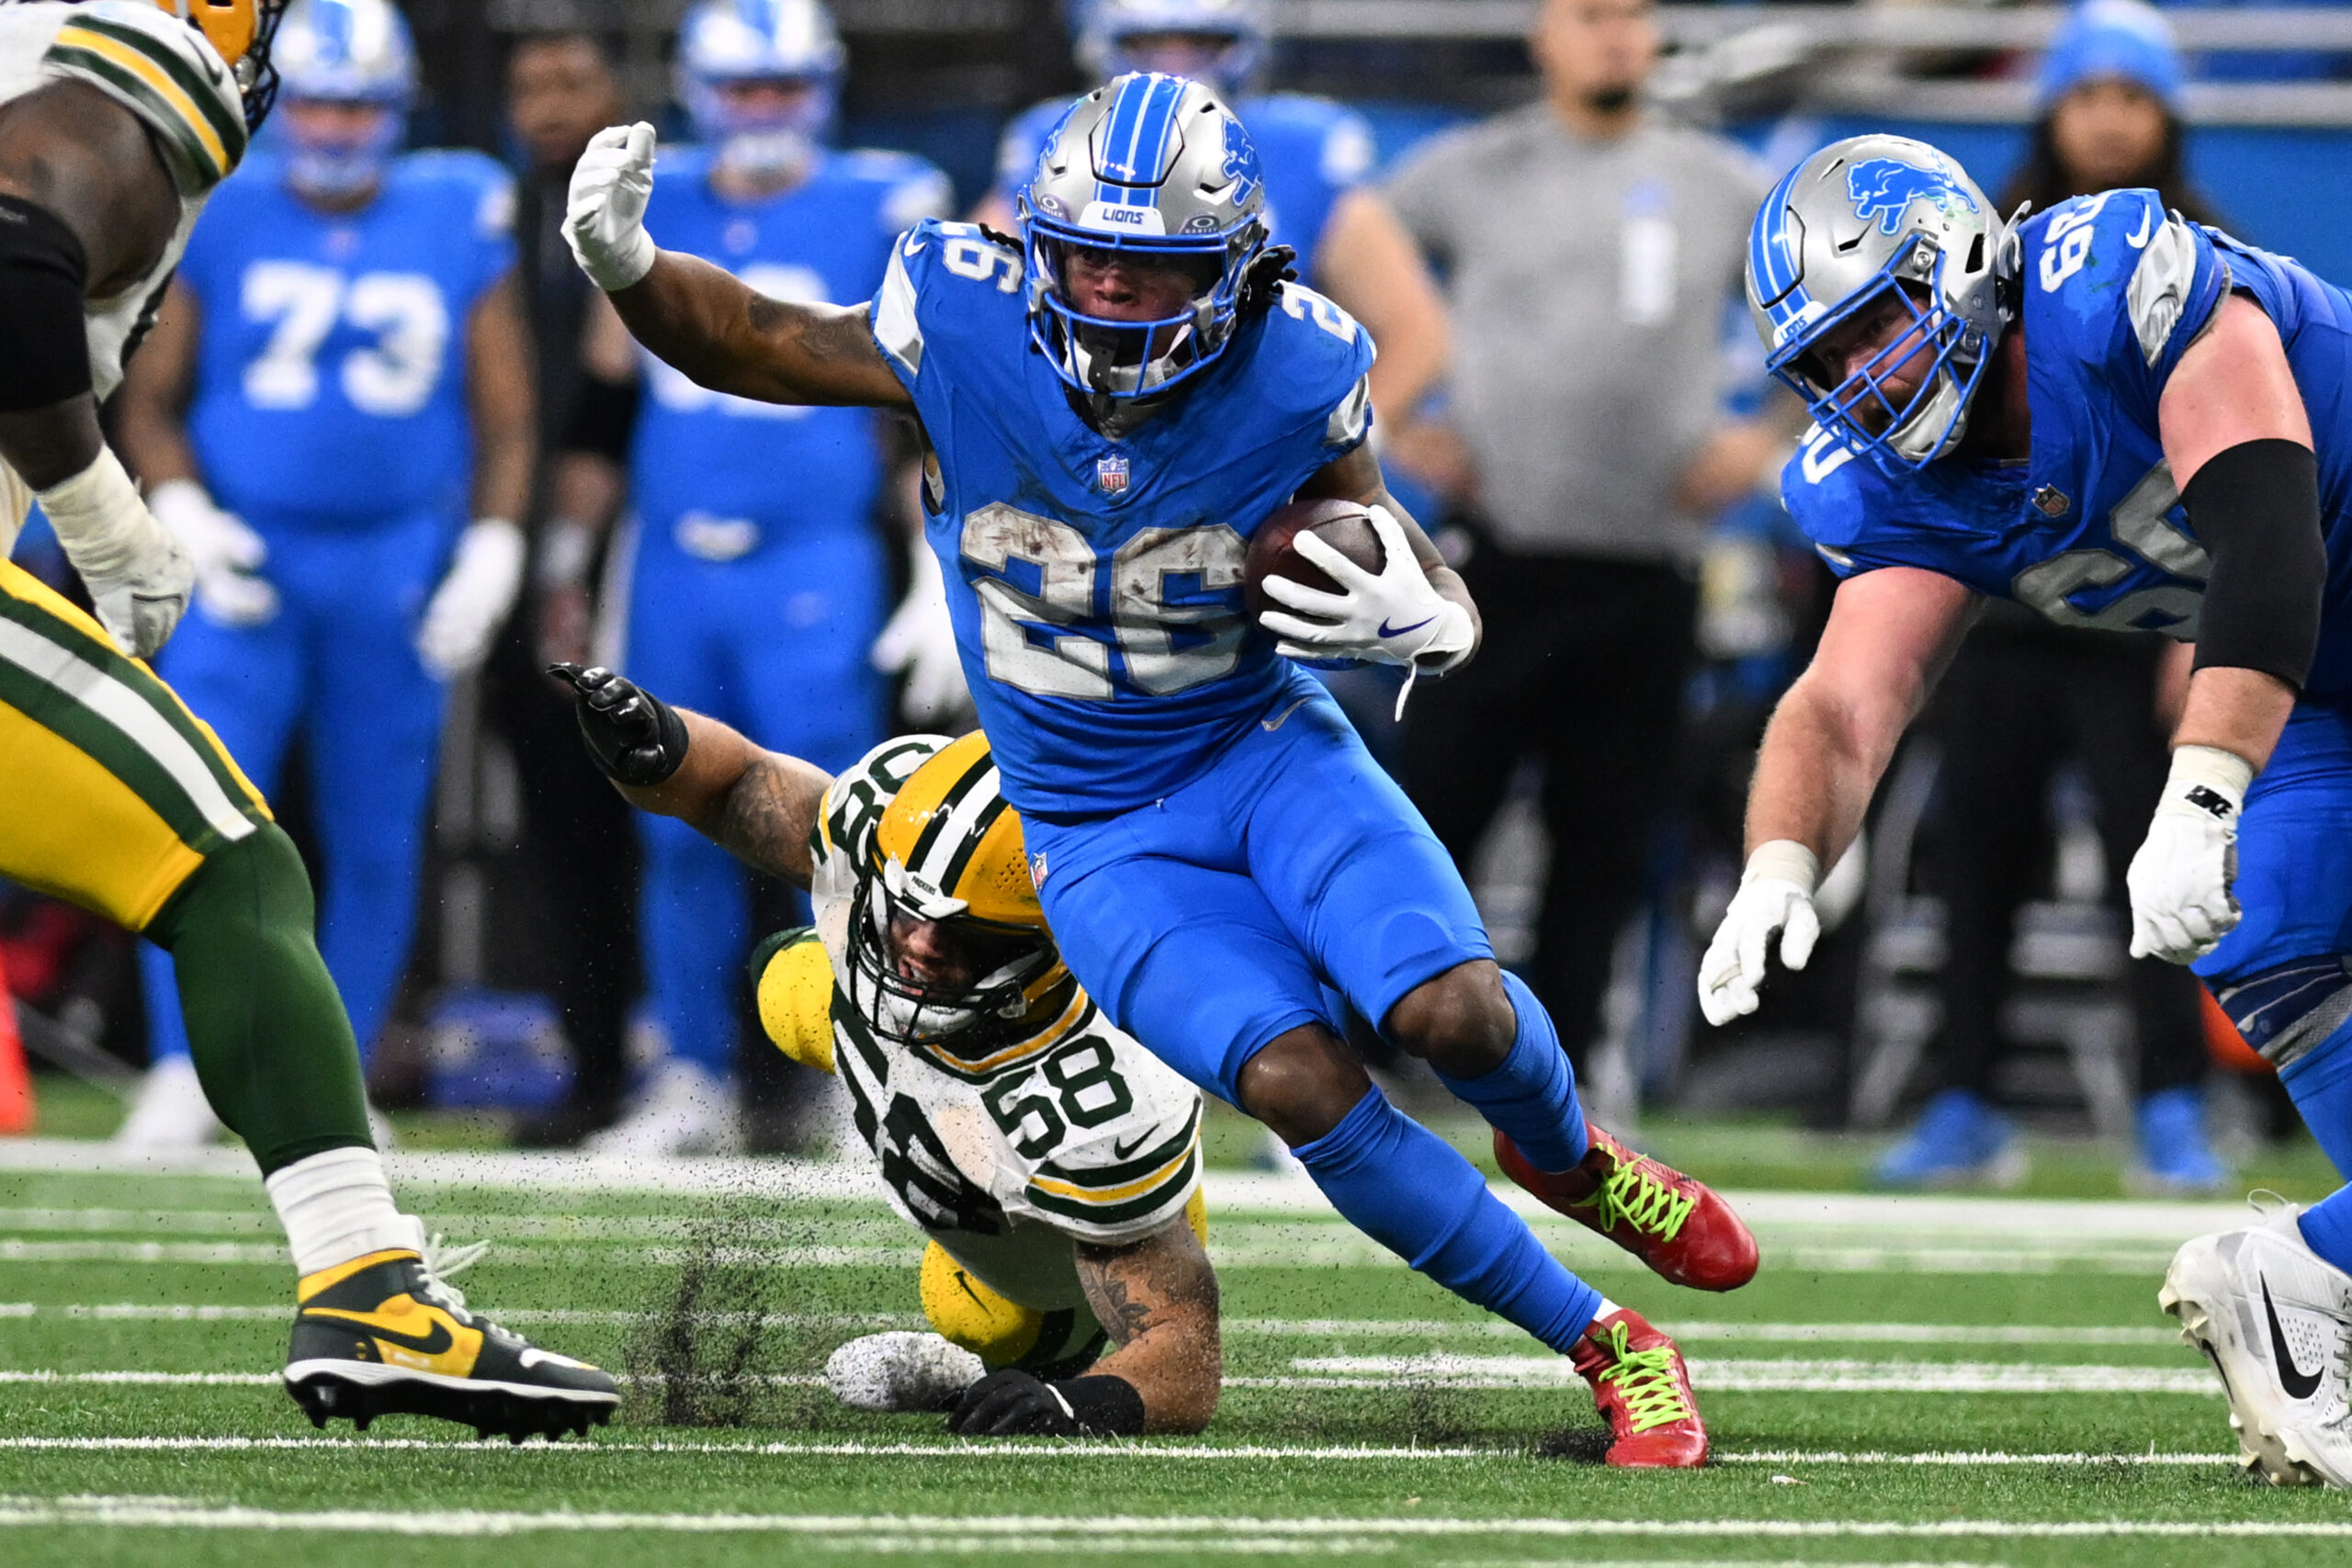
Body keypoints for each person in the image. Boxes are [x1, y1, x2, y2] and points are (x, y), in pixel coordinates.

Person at [567, 70, 1762, 1465]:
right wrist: (631, 268)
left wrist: (1439, 613)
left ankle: (1569, 1151)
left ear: (1236, 271)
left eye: (1158, 272)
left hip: (1262, 753)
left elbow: (1388, 546)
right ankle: (1609, 1340)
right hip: (1094, 828)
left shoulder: (1301, 364)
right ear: (1034, 247)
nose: (1118, 301)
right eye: (1089, 264)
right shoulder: (957, 320)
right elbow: (747, 338)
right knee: (1302, 1082)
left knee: (1457, 1012)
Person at [0, 0, 611, 1437]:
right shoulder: (107, 71)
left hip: (376, 558)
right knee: (232, 867)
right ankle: (366, 1282)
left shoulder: (432, 206)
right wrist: (107, 517)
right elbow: (18, 257)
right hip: (228, 548)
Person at [1708, 130, 2352, 1483]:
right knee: (2265, 922)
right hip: (2318, 694)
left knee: (2236, 867)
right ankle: (2301, 1277)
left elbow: (2273, 533)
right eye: (1823, 366)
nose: (1860, 385)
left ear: (1963, 266)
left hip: (2293, 643)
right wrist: (1779, 858)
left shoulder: (2116, 284)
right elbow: (1843, 698)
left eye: (1875, 331)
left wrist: (2199, 784)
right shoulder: (1886, 479)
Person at [556, 663, 1222, 1436]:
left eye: (962, 934)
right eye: (907, 910)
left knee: (981, 1316)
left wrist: (1076, 1403)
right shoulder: (891, 821)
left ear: (1053, 944)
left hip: (1018, 1201)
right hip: (922, 1067)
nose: (918, 945)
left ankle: (1037, 1351)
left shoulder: (1102, 1096)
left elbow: (1185, 1354)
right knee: (788, 984)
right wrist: (665, 747)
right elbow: (743, 785)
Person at [112, 0, 532, 1144]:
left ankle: (331, 1073)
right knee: (198, 814)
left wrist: (492, 551)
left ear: (397, 109)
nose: (341, 130)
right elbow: (147, 396)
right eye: (323, 105)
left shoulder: (456, 204)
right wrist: (186, 509)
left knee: (374, 833)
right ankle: (182, 1066)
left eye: (362, 106)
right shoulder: (225, 202)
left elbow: (505, 416)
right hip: (246, 553)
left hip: (394, 555)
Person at [559, 0, 948, 1156]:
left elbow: (932, 401)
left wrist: (939, 566)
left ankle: (855, 1073)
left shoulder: (883, 202)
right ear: (700, 90)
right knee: (670, 822)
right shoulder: (657, 202)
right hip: (674, 555)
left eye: (784, 87)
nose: (763, 111)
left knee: (840, 824)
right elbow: (604, 398)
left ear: (821, 85)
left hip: (814, 556)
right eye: (745, 88)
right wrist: (563, 558)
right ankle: (691, 1074)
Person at [1380, 0, 1782, 1077]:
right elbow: (1336, 270)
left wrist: (1766, 438)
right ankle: (1371, 1056)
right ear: (1543, 33)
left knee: (1603, 840)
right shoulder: (1470, 170)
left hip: (1645, 565)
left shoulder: (1717, 182)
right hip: (1491, 561)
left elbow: (1830, 304)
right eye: (1591, 13)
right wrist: (1396, 423)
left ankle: (1552, 1087)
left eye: (1636, 14)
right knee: (1434, 819)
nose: (1615, 35)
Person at [1875, 0, 2227, 1192]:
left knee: (2164, 857)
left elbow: (2245, 459)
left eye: (2134, 98)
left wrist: (2214, 627)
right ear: (2054, 108)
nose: (2112, 122)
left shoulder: (2202, 254)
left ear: (2164, 116)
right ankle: (1963, 1095)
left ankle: (2175, 1099)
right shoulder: (1988, 251)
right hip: (2010, 615)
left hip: (2143, 622)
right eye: (2092, 95)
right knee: (1979, 851)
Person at [492, 28, 642, 1146]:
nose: (549, 104)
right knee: (556, 819)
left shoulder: (650, 201)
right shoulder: (489, 218)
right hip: (515, 554)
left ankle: (740, 1058)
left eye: (570, 80)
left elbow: (616, 396)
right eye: (529, 85)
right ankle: (588, 1061)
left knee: (673, 812)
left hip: (643, 552)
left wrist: (577, 556)